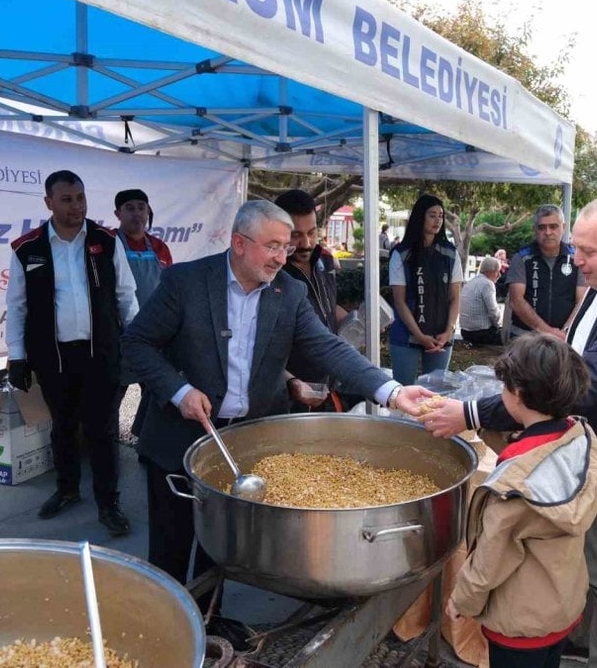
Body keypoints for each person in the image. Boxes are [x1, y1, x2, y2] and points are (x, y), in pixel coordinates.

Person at [122, 199, 436, 591]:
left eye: (285, 247)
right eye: (272, 246)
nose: (281, 257)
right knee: (170, 548)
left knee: (220, 547)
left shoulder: (288, 291)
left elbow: (328, 347)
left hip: (241, 441)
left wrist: (391, 390)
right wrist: (179, 390)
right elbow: (136, 343)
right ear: (239, 243)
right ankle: (169, 635)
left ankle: (208, 620)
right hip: (178, 437)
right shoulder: (185, 283)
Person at [421, 197, 597, 668]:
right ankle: (574, 635)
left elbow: (575, 388)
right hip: (582, 445)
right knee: (571, 557)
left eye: (588, 251)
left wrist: (473, 413)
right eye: (576, 247)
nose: (575, 259)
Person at [446, 334, 597, 668]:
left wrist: (462, 600)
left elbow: (491, 558)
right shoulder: (581, 437)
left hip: (519, 622)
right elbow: (534, 448)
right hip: (561, 603)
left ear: (516, 394)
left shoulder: (514, 493)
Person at [5, 170, 139, 536]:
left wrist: (140, 344)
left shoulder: (106, 241)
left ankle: (108, 502)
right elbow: (16, 307)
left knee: (102, 431)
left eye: (80, 197)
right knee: (62, 428)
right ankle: (66, 490)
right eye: (66, 199)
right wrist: (17, 356)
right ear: (48, 203)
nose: (76, 206)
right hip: (52, 357)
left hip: (102, 353)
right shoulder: (26, 249)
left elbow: (127, 297)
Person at [276, 189, 350, 412]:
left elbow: (326, 305)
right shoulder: (273, 271)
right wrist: (289, 381)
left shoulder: (325, 260)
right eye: (296, 235)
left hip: (328, 380)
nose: (306, 243)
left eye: (312, 232)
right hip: (287, 387)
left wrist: (355, 322)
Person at [112, 188, 173, 440]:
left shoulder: (159, 247)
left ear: (148, 211)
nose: (137, 213)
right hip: (119, 333)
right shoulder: (110, 244)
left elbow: (170, 288)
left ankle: (149, 441)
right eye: (130, 207)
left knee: (155, 392)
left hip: (154, 334)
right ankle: (108, 441)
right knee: (114, 393)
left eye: (141, 206)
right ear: (118, 213)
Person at [388, 195, 464, 385]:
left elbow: (455, 298)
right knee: (403, 393)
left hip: (441, 337)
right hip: (406, 336)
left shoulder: (450, 253)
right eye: (432, 215)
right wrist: (419, 336)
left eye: (440, 215)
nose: (438, 220)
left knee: (435, 396)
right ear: (419, 217)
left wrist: (449, 330)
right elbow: (400, 301)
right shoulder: (401, 253)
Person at [506, 204, 587, 340]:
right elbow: (516, 301)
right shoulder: (522, 257)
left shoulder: (576, 258)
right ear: (535, 229)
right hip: (525, 338)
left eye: (553, 226)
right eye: (542, 227)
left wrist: (565, 331)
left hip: (564, 338)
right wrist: (548, 331)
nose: (548, 232)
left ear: (564, 227)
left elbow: (582, 300)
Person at [458, 256, 504, 346]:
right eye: (498, 271)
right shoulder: (487, 284)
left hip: (465, 331)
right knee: (512, 338)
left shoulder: (470, 282)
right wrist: (500, 325)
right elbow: (494, 312)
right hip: (481, 333)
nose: (499, 275)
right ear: (490, 271)